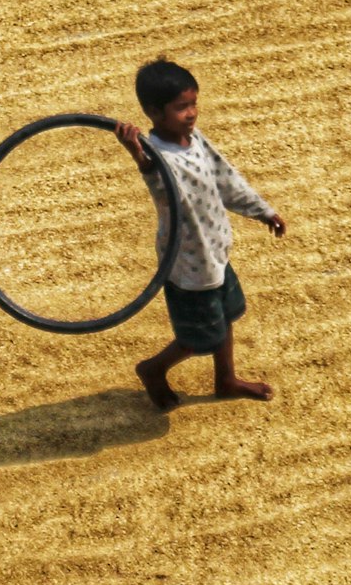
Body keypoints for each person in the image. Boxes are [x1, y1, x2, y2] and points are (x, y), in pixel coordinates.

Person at [115, 58, 285, 410]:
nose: (191, 113)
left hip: (215, 252)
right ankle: (153, 369)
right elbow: (160, 186)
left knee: (225, 317)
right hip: (189, 265)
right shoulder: (156, 155)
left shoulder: (194, 139)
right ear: (153, 112)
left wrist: (262, 211)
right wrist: (138, 155)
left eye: (193, 104)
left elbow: (227, 181)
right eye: (181, 107)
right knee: (197, 336)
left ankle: (225, 378)